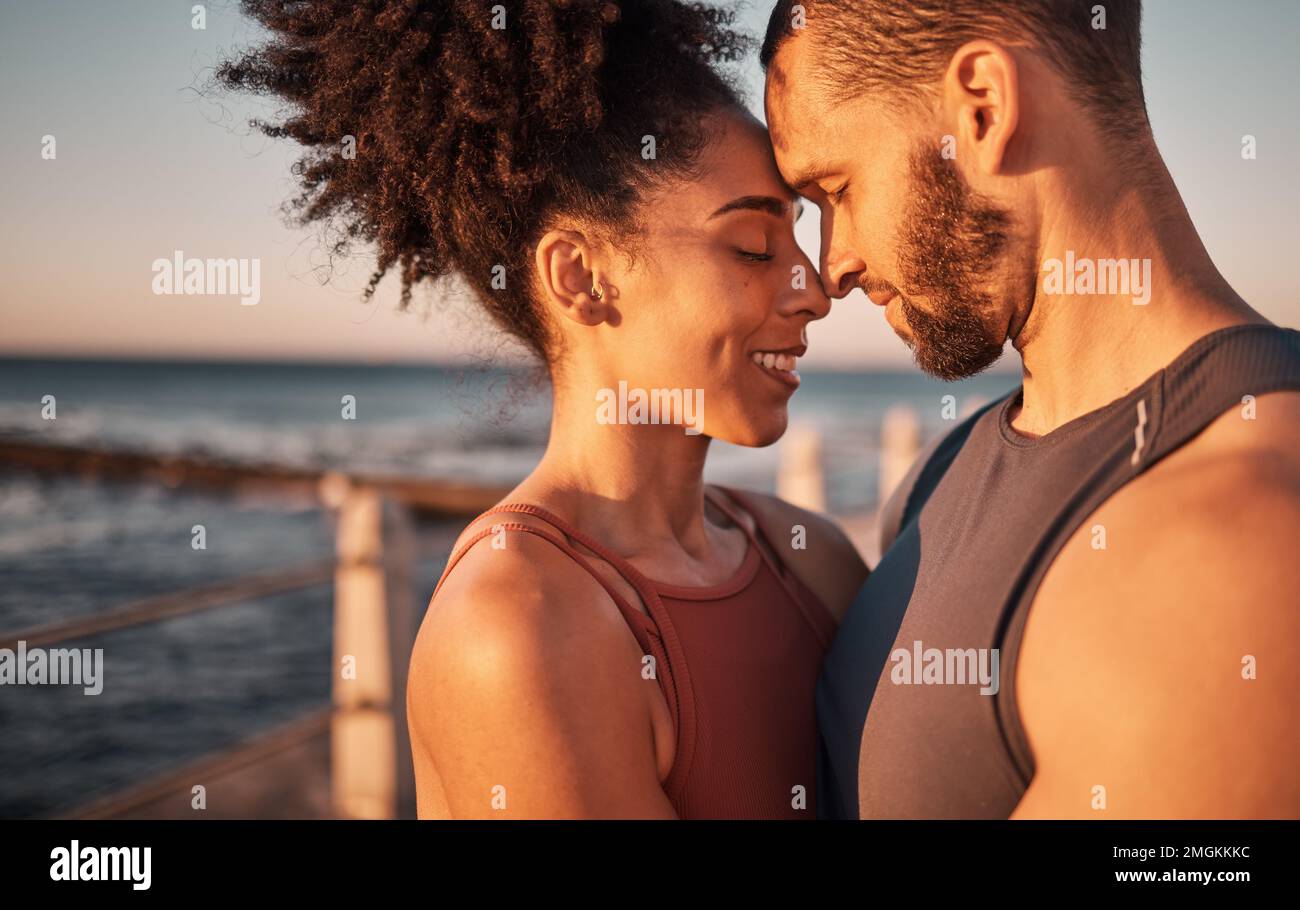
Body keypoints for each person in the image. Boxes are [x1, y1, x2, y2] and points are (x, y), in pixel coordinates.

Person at [218, 0, 868, 818]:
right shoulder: (518, 627)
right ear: (580, 279)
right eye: (750, 248)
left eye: (800, 241)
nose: (814, 292)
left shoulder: (811, 560)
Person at [761, 0, 1300, 819]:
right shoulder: (943, 473)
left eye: (837, 188)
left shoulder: (1240, 552)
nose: (831, 268)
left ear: (982, 108)